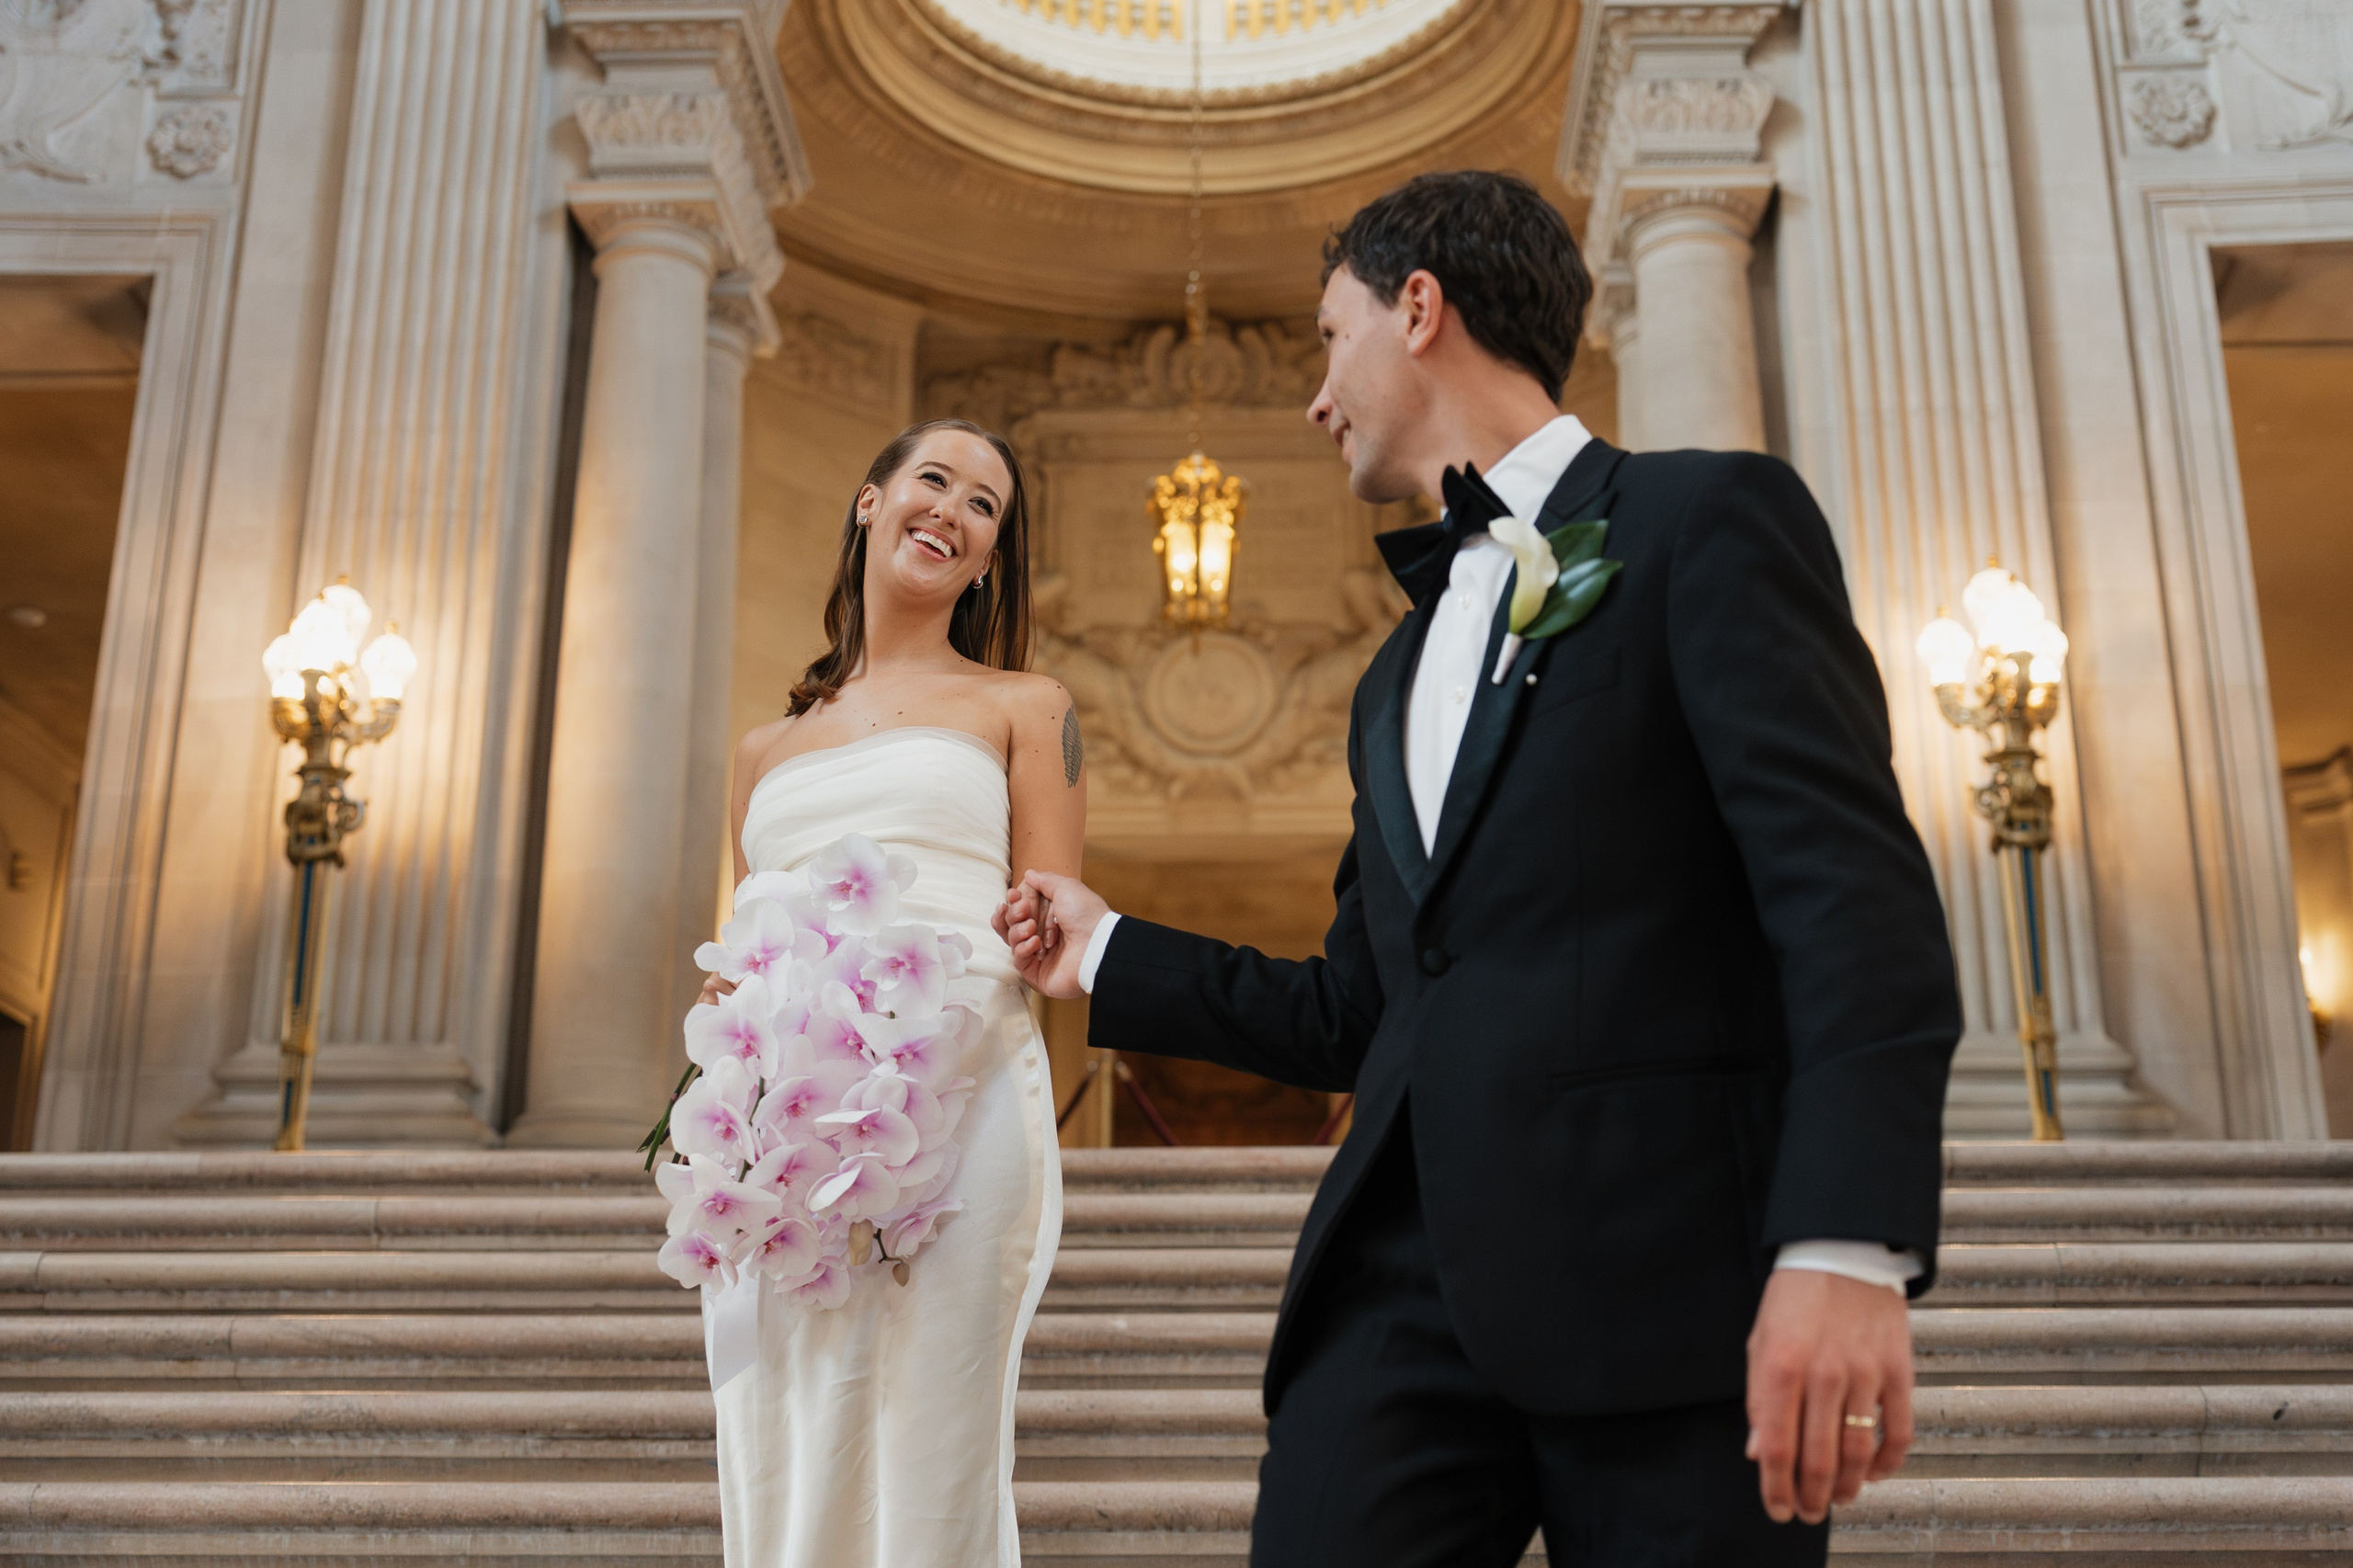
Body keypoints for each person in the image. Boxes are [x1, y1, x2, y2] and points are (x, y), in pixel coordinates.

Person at [995, 171, 1961, 1566]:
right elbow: (1359, 1006)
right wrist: (1101, 949)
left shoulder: (1709, 523)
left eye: (1334, 338)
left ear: (1421, 309)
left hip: (1673, 1276)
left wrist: (1844, 1246)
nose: (1318, 396)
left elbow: (1852, 900)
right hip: (1397, 1298)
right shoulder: (1391, 676)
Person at [704, 417, 1080, 1567]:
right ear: (871, 502)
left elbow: (1059, 927)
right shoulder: (763, 749)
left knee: (937, 1427)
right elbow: (735, 953)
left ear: (987, 559)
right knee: (790, 1424)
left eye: (985, 508)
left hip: (960, 1097)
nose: (955, 511)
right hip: (789, 1130)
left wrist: (1040, 926)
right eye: (935, 481)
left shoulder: (1026, 705)